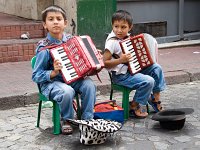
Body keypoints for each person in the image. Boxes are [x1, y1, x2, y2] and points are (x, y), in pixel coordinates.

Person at [32, 5, 96, 134]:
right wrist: (53, 72)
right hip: (52, 83)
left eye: (58, 18)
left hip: (73, 79)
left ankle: (87, 118)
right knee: (67, 91)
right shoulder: (44, 48)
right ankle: (67, 119)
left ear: (65, 23)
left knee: (89, 85)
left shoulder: (73, 41)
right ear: (45, 25)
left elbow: (84, 62)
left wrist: (94, 58)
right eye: (51, 19)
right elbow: (36, 75)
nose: (55, 21)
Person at [103, 10, 166, 118]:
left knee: (156, 68)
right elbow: (105, 63)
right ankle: (135, 104)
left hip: (133, 70)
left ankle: (155, 98)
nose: (119, 30)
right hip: (121, 76)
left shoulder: (128, 37)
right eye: (116, 26)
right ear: (112, 25)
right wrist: (120, 60)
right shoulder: (111, 42)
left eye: (123, 27)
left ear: (130, 27)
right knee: (148, 81)